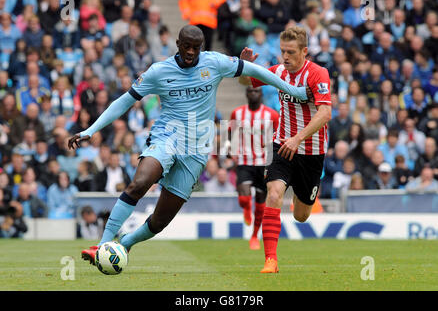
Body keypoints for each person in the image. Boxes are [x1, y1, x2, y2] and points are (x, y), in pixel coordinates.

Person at [68, 25, 311, 266]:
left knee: (160, 221)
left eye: (196, 47)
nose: (192, 52)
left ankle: (125, 244)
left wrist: (294, 91)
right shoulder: (159, 72)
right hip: (167, 137)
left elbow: (257, 71)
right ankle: (102, 245)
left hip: (196, 151)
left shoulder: (214, 63)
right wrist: (91, 130)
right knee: (140, 183)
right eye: (187, 46)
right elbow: (124, 101)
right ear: (177, 44)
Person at [239, 26, 332, 273]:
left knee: (302, 216)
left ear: (304, 51)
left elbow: (325, 113)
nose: (286, 57)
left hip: (311, 152)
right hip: (282, 145)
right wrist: (243, 67)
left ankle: (302, 197)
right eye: (282, 51)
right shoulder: (278, 71)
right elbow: (246, 81)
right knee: (274, 193)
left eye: (291, 52)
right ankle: (271, 259)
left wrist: (299, 138)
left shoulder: (318, 74)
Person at [228, 85, 279, 250]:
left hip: (264, 163)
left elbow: (279, 135)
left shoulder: (271, 115)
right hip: (244, 161)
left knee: (260, 202)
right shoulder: (238, 113)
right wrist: (230, 148)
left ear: (261, 94)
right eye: (250, 91)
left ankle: (254, 236)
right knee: (244, 198)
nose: (253, 93)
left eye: (256, 91)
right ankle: (245, 208)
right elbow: (230, 132)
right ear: (246, 94)